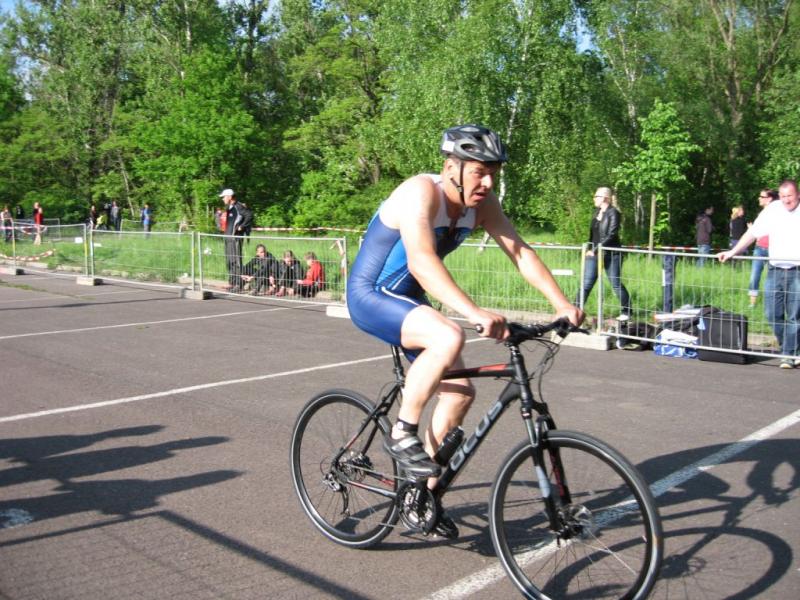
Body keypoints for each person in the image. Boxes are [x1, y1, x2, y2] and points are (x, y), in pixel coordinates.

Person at [346, 124, 583, 538]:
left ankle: (419, 497)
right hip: (371, 294)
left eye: (494, 173)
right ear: (450, 168)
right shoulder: (421, 192)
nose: (488, 183)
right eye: (479, 172)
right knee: (449, 335)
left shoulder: (482, 205)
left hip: (410, 301)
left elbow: (520, 252)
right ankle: (402, 433)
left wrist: (561, 303)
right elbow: (421, 261)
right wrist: (473, 312)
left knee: (459, 395)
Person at [718, 179, 800, 369]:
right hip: (775, 269)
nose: (786, 200)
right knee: (772, 313)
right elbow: (753, 233)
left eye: (790, 196)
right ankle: (792, 349)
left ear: (797, 195)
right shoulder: (773, 210)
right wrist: (733, 251)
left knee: (794, 316)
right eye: (783, 196)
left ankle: (788, 354)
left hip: (797, 270)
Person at [575, 187, 631, 318]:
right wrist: (590, 248)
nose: (594, 198)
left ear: (605, 198)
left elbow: (611, 234)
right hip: (594, 254)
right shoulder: (596, 212)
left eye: (596, 196)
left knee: (615, 284)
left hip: (611, 254)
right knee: (586, 284)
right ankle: (575, 311)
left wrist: (595, 250)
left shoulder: (614, 213)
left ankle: (626, 312)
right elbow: (593, 235)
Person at [747, 189, 778, 306]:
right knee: (754, 275)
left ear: (769, 199)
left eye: (761, 196)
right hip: (759, 248)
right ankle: (752, 304)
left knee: (772, 277)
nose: (759, 198)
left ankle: (771, 302)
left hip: (773, 249)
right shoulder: (761, 213)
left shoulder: (778, 212)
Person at [221, 189, 245, 292]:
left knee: (236, 261)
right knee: (229, 260)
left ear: (230, 197)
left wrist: (242, 226)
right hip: (228, 239)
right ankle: (232, 282)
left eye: (224, 197)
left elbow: (249, 215)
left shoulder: (238, 206)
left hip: (235, 239)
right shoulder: (229, 208)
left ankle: (239, 284)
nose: (222, 199)